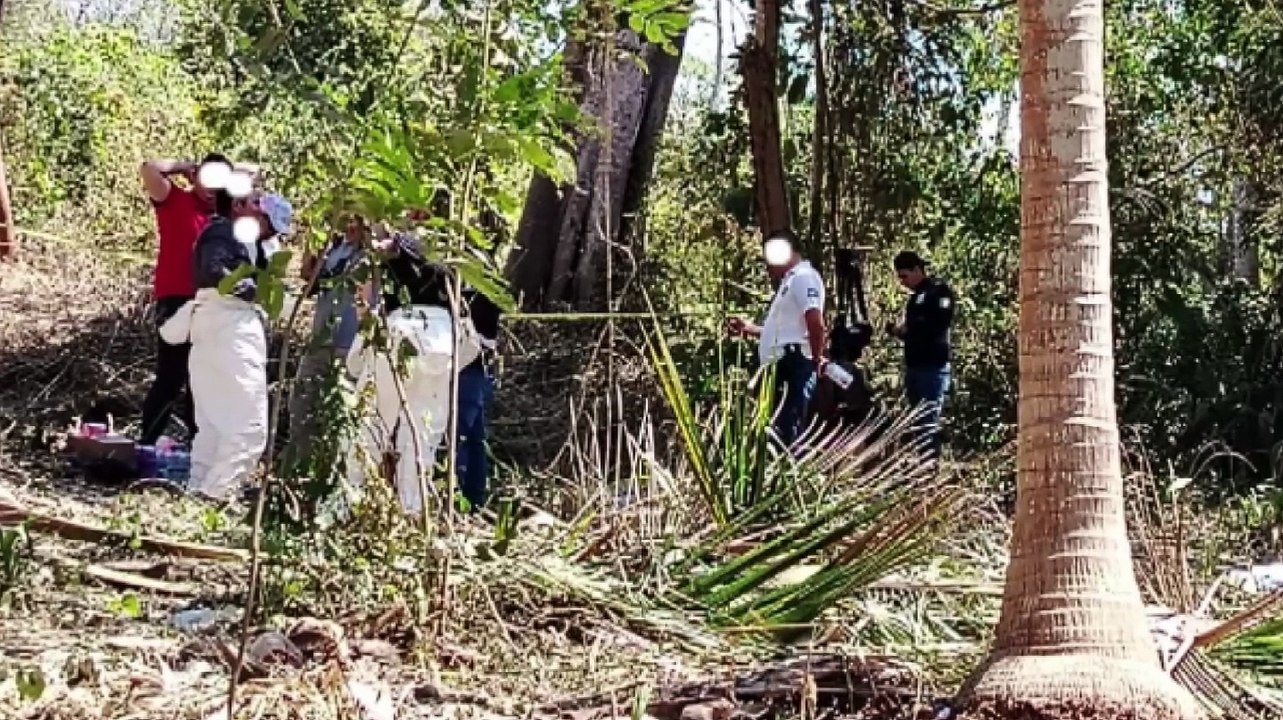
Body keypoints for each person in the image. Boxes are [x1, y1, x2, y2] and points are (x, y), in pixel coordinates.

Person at [344, 229, 481, 516]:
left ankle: (352, 506)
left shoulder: (404, 248)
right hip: (443, 337)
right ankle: (412, 511)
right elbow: (469, 349)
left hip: (402, 328)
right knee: (421, 434)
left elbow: (366, 304)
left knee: (371, 425)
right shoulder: (451, 252)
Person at [186, 184, 294, 502]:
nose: (266, 233)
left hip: (216, 325)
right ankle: (216, 494)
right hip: (229, 324)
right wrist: (256, 291)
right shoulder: (222, 233)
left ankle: (198, 492)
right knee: (249, 426)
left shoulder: (250, 246)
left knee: (215, 422)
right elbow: (215, 271)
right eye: (265, 224)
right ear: (246, 207)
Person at [137, 154, 224, 445]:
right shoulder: (175, 200)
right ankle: (147, 443)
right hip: (175, 300)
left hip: (211, 305)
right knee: (171, 377)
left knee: (200, 380)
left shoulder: (224, 218)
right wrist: (183, 166)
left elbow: (255, 175)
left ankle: (197, 449)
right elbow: (148, 169)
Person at [726, 229, 829, 447]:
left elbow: (815, 323)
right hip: (779, 366)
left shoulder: (804, 277)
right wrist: (749, 329)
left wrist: (817, 358)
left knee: (786, 429)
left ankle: (790, 474)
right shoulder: (789, 282)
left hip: (792, 364)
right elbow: (784, 332)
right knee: (773, 428)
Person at [286, 214, 369, 467]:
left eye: (357, 221)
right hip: (321, 341)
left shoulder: (373, 253)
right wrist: (314, 241)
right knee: (301, 405)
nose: (351, 226)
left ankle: (340, 472)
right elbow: (309, 280)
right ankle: (300, 467)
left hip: (352, 346)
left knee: (344, 416)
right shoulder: (335, 245)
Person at [886, 250, 955, 460]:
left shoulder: (939, 292)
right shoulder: (915, 298)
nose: (903, 282)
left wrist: (910, 329)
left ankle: (930, 467)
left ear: (917, 269)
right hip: (915, 367)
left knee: (928, 420)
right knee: (917, 421)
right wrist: (899, 332)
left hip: (932, 367)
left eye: (905, 276)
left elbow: (938, 323)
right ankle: (923, 463)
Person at [455, 287, 501, 511]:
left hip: (471, 369)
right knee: (473, 438)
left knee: (462, 436)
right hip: (475, 369)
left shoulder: (480, 293)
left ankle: (464, 500)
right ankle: (473, 500)